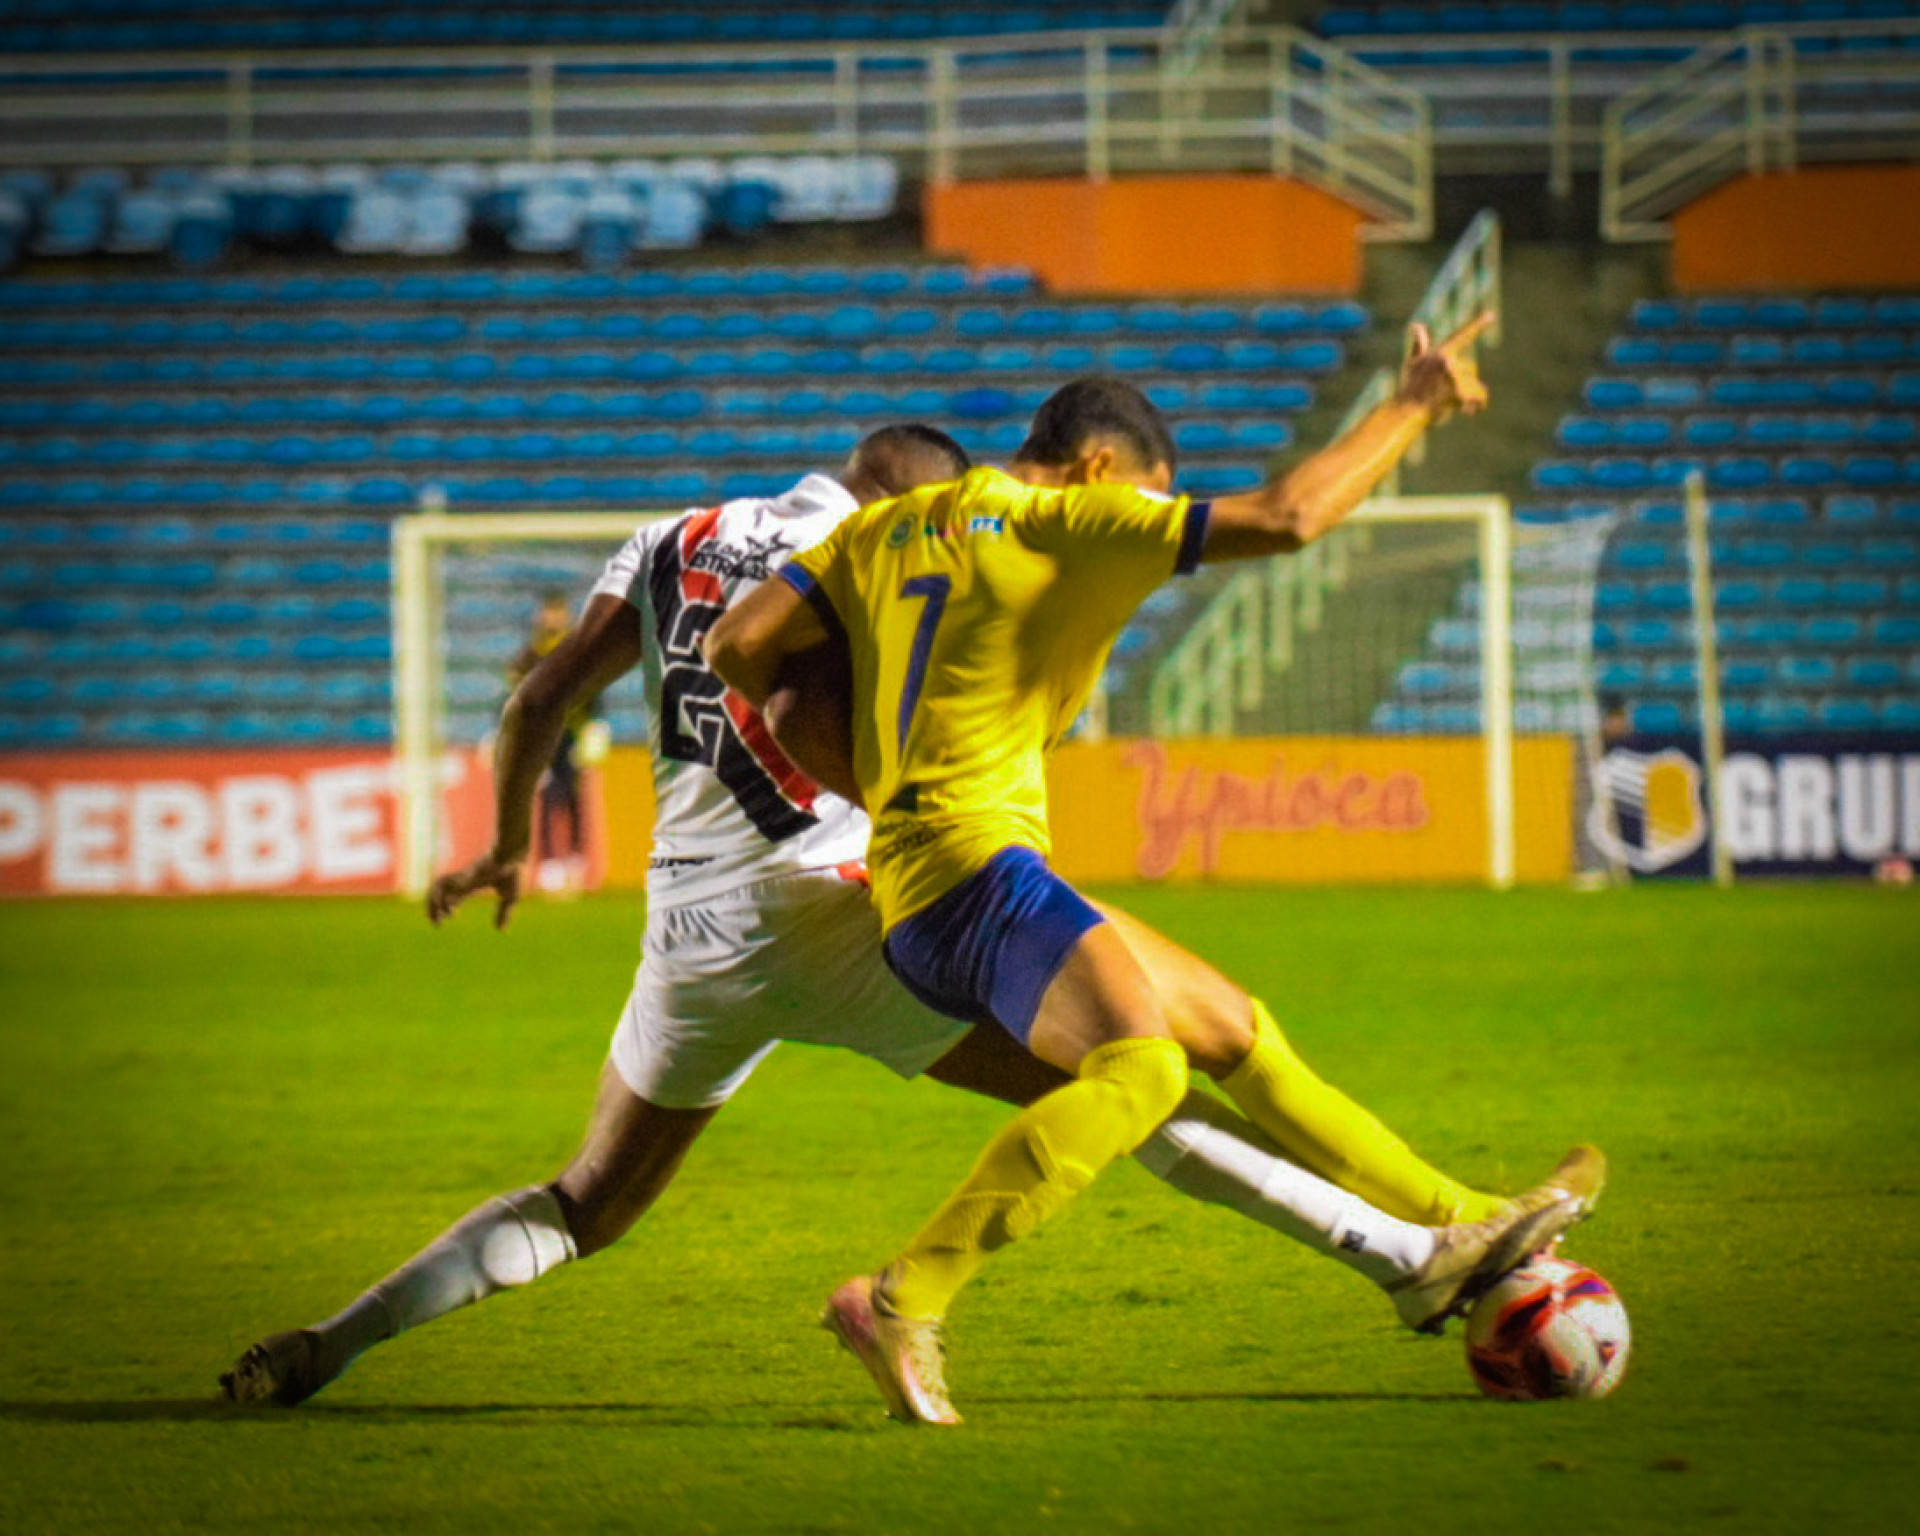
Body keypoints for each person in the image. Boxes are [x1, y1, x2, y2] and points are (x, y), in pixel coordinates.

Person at [219, 419, 1590, 1412]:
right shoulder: (882, 542)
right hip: (847, 903)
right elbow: (803, 699)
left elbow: (537, 703)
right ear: (919, 486)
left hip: (688, 942)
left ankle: (322, 1350)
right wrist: (908, 786)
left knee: (585, 1203)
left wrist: (509, 844)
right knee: (1135, 1073)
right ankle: (1412, 1251)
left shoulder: (673, 538)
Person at [706, 313, 1601, 1425]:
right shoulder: (1064, 516)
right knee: (1143, 1072)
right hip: (974, 875)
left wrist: (873, 782)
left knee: (1232, 1028)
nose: (1142, 517)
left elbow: (739, 652)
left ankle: (1460, 1216)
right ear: (1097, 467)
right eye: (1144, 493)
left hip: (928, 876)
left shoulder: (877, 535)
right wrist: (1412, 403)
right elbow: (1289, 517)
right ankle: (904, 1296)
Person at [507, 592, 596, 893]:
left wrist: (596, 727)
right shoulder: (530, 654)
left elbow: (594, 690)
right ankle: (548, 863)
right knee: (546, 796)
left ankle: (575, 858)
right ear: (542, 615)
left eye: (560, 612)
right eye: (551, 612)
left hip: (571, 734)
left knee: (571, 795)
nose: (555, 618)